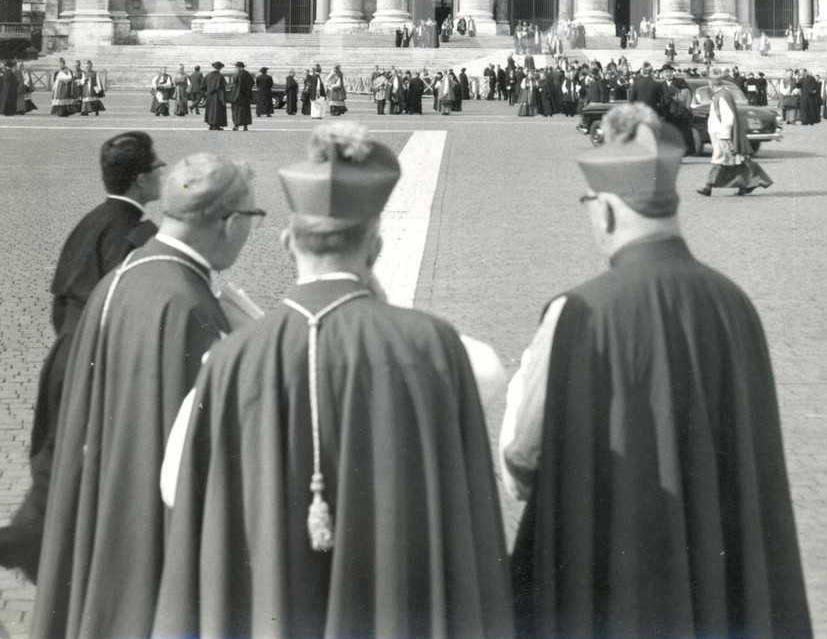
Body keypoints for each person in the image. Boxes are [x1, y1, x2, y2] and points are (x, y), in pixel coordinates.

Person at [154, 122, 512, 639]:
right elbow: (489, 373)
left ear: (285, 241)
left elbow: (174, 485)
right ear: (376, 247)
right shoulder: (432, 347)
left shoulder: (229, 360)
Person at [503, 105, 811, 639]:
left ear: (604, 212)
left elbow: (522, 455)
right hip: (716, 582)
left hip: (612, 584)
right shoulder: (735, 303)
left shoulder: (577, 312)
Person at [31, 154, 258, 639]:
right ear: (231, 222)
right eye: (253, 218)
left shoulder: (128, 272)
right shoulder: (185, 301)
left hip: (112, 501)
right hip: (154, 529)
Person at [0, 133, 162, 580]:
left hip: (64, 352)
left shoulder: (89, 221)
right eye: (158, 168)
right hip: (93, 356)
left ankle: (31, 543)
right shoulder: (136, 231)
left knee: (55, 454)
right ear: (142, 179)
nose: (163, 174)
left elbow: (59, 300)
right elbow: (119, 303)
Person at [697, 71, 773, 196]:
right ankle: (750, 183)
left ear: (712, 83)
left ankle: (708, 186)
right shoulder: (721, 94)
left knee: (721, 159)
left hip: (722, 134)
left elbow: (728, 116)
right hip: (719, 133)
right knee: (736, 161)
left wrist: (725, 135)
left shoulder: (722, 95)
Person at [229, 61, 254, 131]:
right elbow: (252, 82)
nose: (236, 68)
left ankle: (236, 125)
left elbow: (237, 86)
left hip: (238, 96)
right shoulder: (247, 74)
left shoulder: (238, 75)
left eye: (237, 67)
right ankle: (245, 126)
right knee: (245, 111)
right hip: (245, 96)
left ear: (240, 67)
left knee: (237, 111)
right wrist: (247, 91)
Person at [203, 61, 227, 131]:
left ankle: (211, 125)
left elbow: (203, 86)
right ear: (220, 68)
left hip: (210, 96)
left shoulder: (208, 75)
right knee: (217, 110)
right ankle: (216, 125)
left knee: (210, 110)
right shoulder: (220, 76)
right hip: (218, 95)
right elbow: (223, 86)